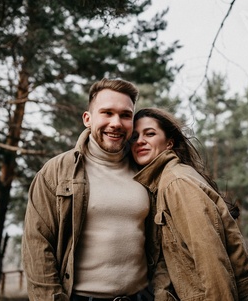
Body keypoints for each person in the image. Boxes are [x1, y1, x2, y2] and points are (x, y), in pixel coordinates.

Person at [22, 78, 155, 301]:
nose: (116, 123)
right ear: (88, 118)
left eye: (125, 115)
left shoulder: (148, 170)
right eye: (107, 113)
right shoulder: (55, 171)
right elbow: (38, 246)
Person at [130, 107, 248, 301]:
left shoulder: (176, 182)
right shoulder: (163, 182)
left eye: (150, 134)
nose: (140, 141)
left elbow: (211, 258)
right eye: (134, 136)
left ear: (169, 143)